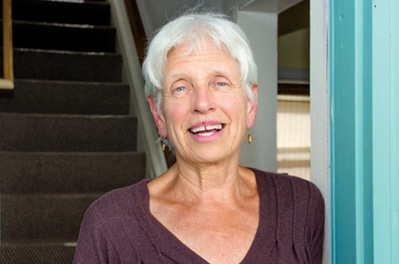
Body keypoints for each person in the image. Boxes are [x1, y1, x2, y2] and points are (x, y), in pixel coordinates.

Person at [73, 12, 324, 264]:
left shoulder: (301, 206)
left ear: (250, 104)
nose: (202, 104)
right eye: (181, 87)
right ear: (158, 114)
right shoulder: (109, 224)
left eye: (221, 83)